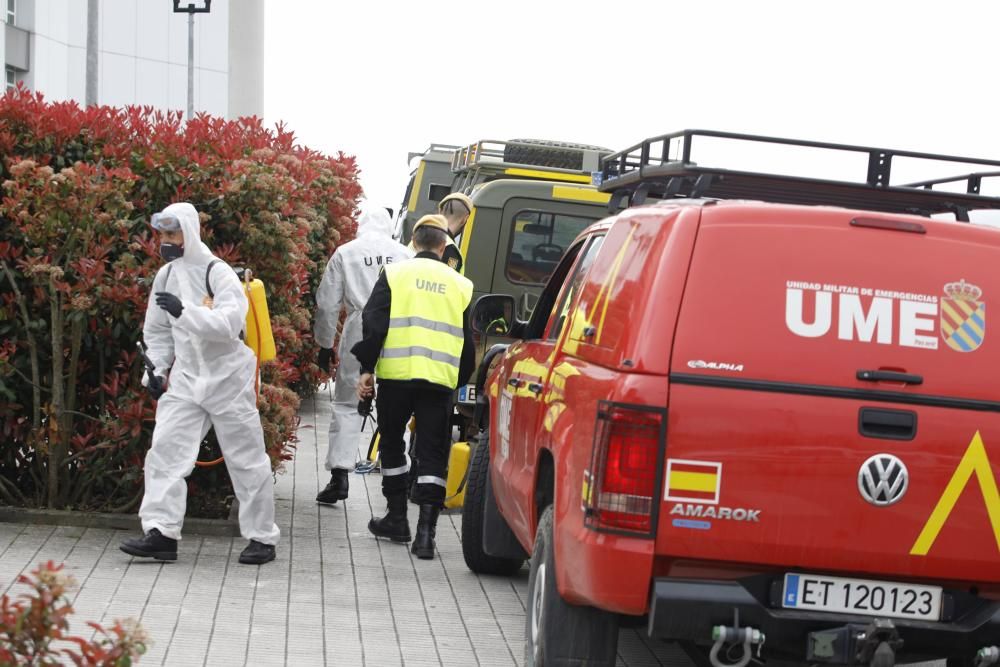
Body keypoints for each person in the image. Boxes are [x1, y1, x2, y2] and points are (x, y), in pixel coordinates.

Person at [120, 202, 280, 565]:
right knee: (165, 453)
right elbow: (157, 333)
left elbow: (228, 325)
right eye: (162, 234)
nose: (166, 240)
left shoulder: (218, 273)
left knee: (246, 459)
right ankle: (161, 533)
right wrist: (156, 373)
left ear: (189, 233)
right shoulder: (165, 277)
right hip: (187, 379)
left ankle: (261, 537)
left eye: (172, 233)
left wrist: (185, 312)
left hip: (228, 379)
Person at [352, 214, 475, 559]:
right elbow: (468, 345)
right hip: (439, 383)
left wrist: (366, 370)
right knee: (433, 453)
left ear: (415, 243)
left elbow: (373, 323)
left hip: (396, 377)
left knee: (391, 444)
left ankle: (396, 518)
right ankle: (426, 535)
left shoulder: (395, 274)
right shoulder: (460, 285)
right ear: (442, 246)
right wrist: (458, 381)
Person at [314, 203, 411, 504]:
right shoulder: (405, 254)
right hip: (398, 330)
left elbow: (328, 303)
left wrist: (324, 343)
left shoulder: (346, 252)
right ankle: (396, 470)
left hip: (360, 328)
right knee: (396, 403)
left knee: (347, 403)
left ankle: (339, 476)